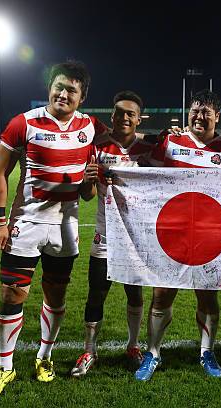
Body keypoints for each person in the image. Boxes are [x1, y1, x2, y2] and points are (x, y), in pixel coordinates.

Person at [0, 61, 106, 398]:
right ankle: (5, 366)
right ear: (50, 88)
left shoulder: (90, 127)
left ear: (82, 97)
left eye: (72, 90)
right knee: (12, 294)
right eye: (59, 87)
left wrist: (89, 183)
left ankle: (44, 357)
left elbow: (88, 190)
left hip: (65, 226)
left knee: (56, 294)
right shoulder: (23, 123)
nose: (63, 94)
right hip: (27, 224)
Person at [135, 89, 221, 381]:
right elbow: (145, 172)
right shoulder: (171, 142)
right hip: (173, 233)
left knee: (208, 297)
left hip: (211, 235)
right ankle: (153, 352)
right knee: (161, 294)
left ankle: (207, 351)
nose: (199, 116)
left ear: (217, 117)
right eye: (195, 109)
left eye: (207, 111)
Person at [71, 91, 154, 377]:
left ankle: (133, 346)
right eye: (120, 112)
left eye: (131, 113)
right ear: (112, 116)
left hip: (137, 235)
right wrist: (87, 180)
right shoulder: (98, 146)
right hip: (105, 233)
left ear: (139, 119)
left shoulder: (151, 150)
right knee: (97, 293)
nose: (125, 117)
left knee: (135, 293)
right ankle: (89, 349)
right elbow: (87, 195)